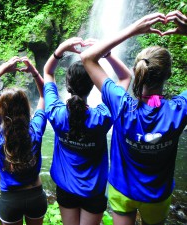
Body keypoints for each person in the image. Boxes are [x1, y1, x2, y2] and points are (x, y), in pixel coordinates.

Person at [80, 10, 187, 225]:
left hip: (122, 190)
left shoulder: (121, 103)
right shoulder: (179, 110)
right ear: (168, 75)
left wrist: (133, 29)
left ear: (137, 70)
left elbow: (87, 58)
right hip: (157, 195)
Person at [43, 37, 131, 225]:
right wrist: (107, 55)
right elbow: (125, 78)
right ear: (93, 85)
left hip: (65, 187)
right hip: (94, 190)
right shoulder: (103, 117)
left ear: (67, 85)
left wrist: (61, 50)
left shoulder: (56, 114)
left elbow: (48, 72)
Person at [0, 56, 47, 225]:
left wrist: (2, 70)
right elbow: (44, 96)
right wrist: (35, 73)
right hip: (36, 196)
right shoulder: (36, 128)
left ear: (0, 110)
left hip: (10, 199)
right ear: (27, 107)